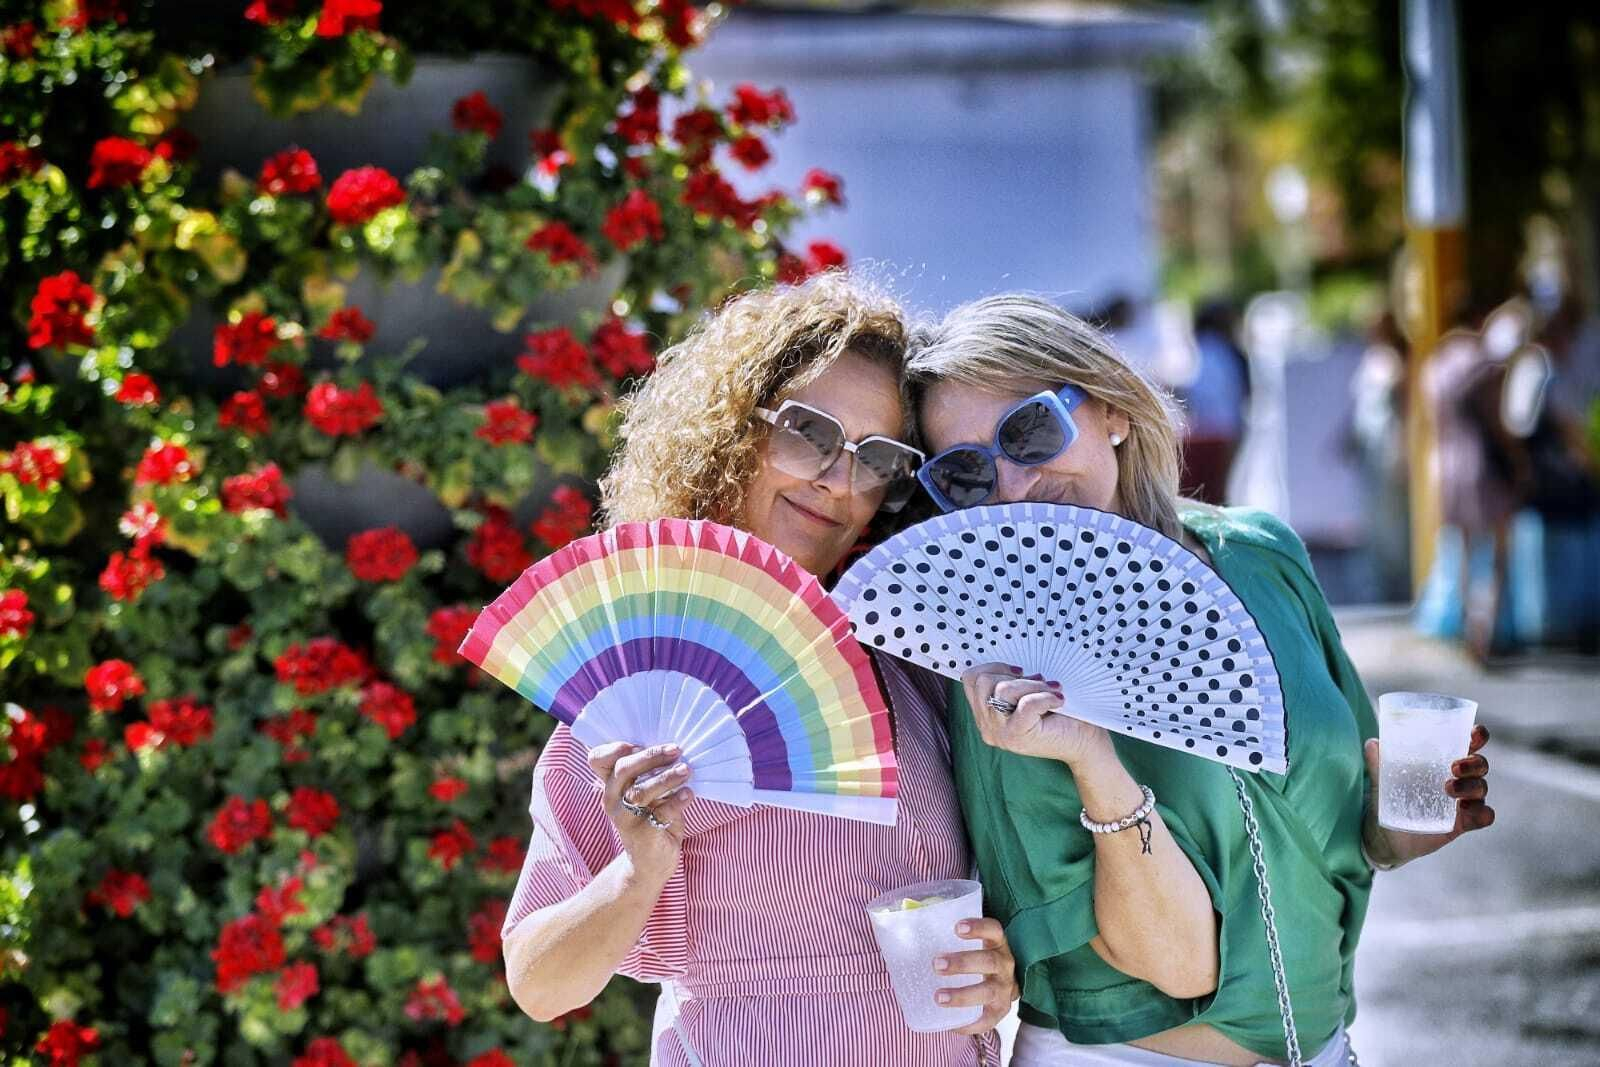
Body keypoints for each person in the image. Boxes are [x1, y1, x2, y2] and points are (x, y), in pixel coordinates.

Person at [905, 294, 1495, 1067]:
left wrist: (1401, 830)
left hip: (1322, 1047)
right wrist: (1093, 761)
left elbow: (1355, 824)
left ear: (1111, 406)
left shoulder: (1261, 554)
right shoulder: (1002, 666)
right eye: (968, 472)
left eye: (1030, 429)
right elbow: (1174, 964)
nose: (1014, 484)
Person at [500, 274, 1016, 1066]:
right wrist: (639, 872)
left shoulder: (905, 659)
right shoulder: (642, 681)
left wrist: (993, 977)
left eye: (875, 457)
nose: (838, 480)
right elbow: (538, 982)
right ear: (731, 433)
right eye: (808, 432)